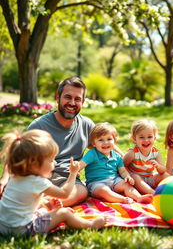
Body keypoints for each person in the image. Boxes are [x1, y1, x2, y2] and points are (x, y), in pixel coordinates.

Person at [0, 77, 122, 206]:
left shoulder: (86, 124)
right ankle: (40, 204)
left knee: (82, 192)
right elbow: (18, 154)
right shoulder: (40, 125)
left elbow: (107, 145)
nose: (72, 103)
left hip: (68, 179)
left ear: (83, 102)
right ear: (58, 98)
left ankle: (43, 206)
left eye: (77, 99)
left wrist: (126, 159)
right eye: (68, 97)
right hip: (40, 175)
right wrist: (4, 179)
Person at [0, 129, 107, 236]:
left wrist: (47, 204)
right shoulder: (38, 182)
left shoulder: (16, 175)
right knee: (63, 213)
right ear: (35, 164)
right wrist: (73, 173)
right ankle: (90, 225)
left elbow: (25, 202)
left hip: (3, 226)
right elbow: (65, 193)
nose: (55, 163)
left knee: (45, 210)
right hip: (23, 230)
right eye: (51, 160)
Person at [79, 122, 153, 204]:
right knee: (104, 190)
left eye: (109, 139)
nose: (106, 142)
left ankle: (138, 197)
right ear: (93, 143)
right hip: (96, 183)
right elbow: (81, 164)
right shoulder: (92, 154)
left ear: (115, 141)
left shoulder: (117, 156)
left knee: (127, 185)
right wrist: (76, 170)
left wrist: (127, 177)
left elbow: (122, 171)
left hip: (114, 181)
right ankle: (122, 199)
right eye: (101, 140)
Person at [123, 119, 169, 195]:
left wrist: (158, 166)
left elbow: (163, 170)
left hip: (150, 178)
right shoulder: (133, 153)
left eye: (149, 137)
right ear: (135, 139)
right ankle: (153, 193)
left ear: (154, 138)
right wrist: (129, 176)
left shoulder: (156, 153)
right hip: (137, 180)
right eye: (141, 137)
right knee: (135, 177)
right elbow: (122, 165)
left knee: (165, 175)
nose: (146, 140)